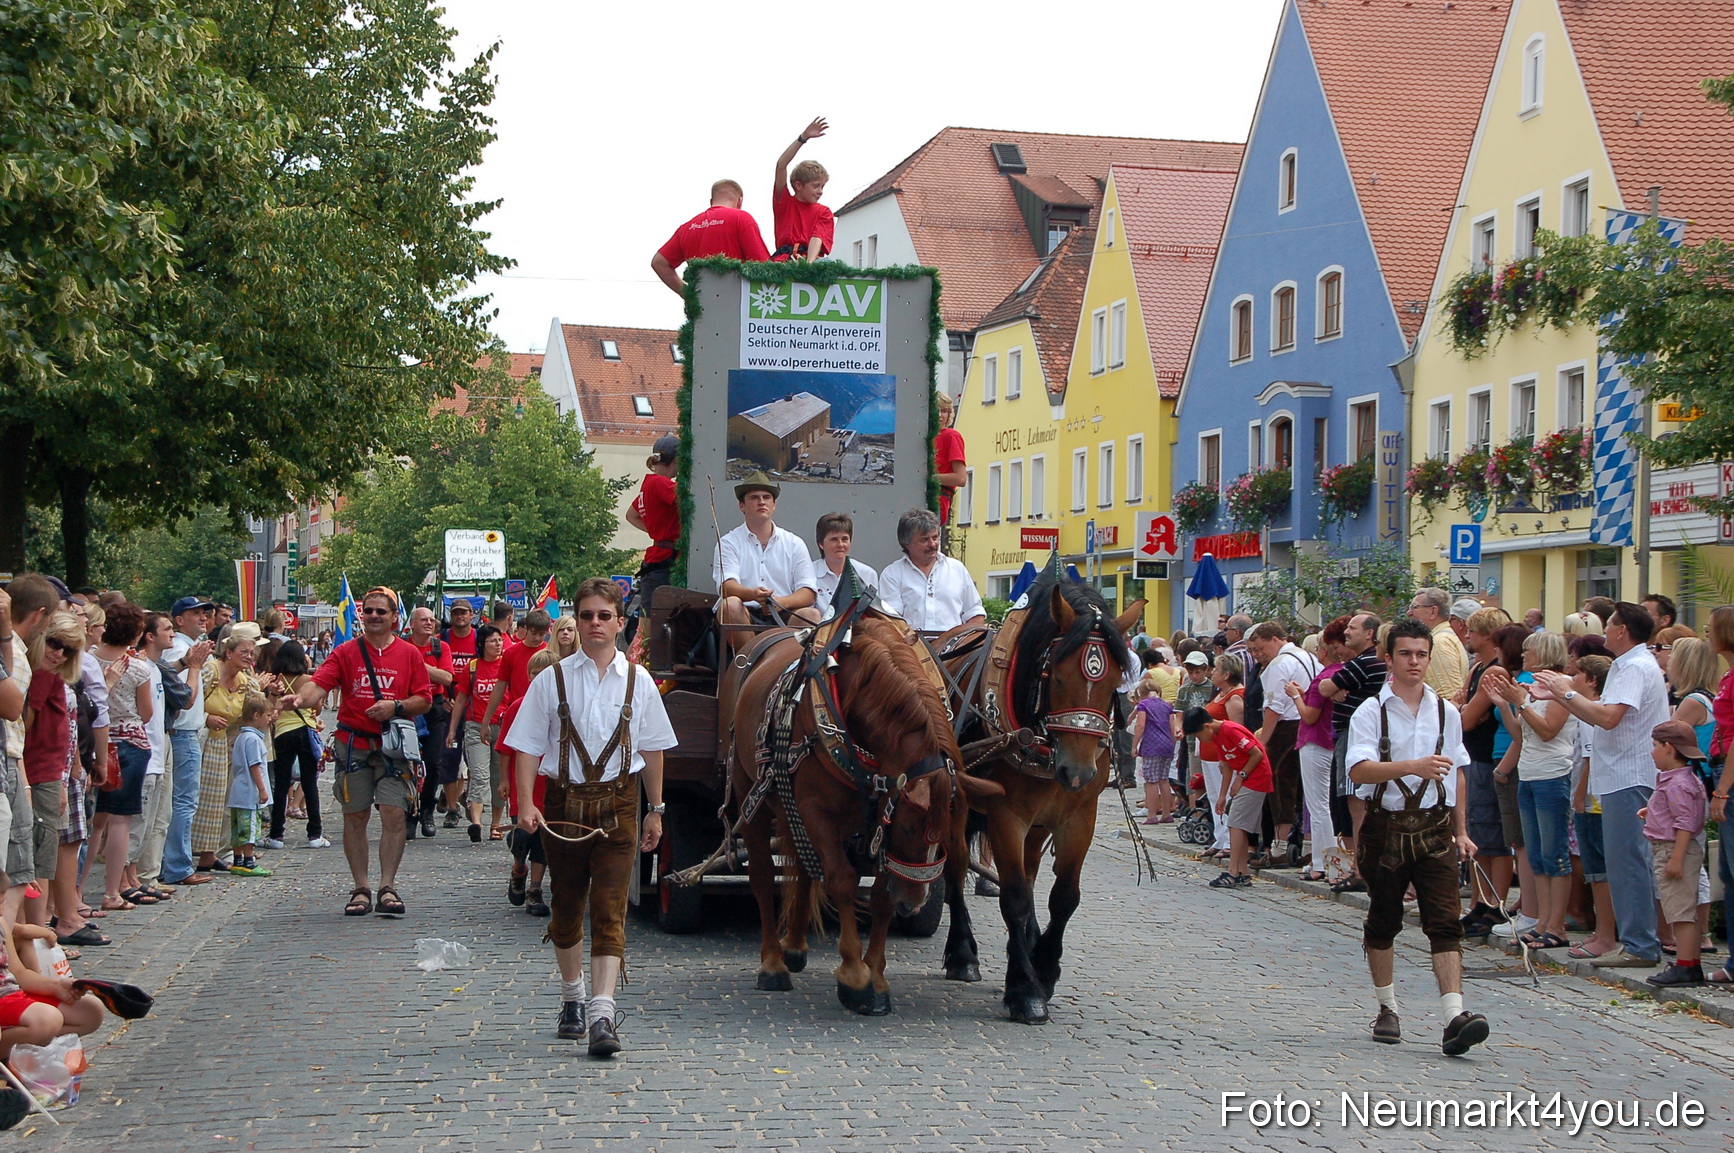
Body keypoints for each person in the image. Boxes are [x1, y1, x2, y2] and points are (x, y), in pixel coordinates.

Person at [508, 578, 676, 1057]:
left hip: (620, 803)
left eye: (605, 615)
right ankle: (572, 999)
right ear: (576, 622)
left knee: (609, 907)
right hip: (564, 804)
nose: (596, 623)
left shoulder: (638, 680)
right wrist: (525, 802)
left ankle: (603, 1014)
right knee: (565, 906)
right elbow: (525, 746)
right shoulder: (552, 678)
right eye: (587, 616)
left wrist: (656, 810)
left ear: (621, 622)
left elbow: (653, 748)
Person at [1345, 617, 1486, 1056]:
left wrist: (1463, 830)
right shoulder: (1372, 711)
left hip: (1436, 828)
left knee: (1445, 922)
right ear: (1389, 658)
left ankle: (1453, 1016)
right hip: (1386, 828)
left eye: (1421, 654)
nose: (1414, 662)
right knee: (1384, 921)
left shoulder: (1447, 711)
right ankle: (1387, 1008)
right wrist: (1412, 766)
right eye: (1405, 653)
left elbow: (1457, 774)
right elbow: (1358, 771)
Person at [1533, 602, 1670, 969]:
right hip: (1619, 774)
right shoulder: (1631, 666)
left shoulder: (1634, 667)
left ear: (1622, 630)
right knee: (1622, 860)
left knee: (1627, 862)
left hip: (1630, 775)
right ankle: (1636, 940)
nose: (1605, 632)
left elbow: (1608, 718)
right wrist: (1562, 696)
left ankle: (1640, 943)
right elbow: (1599, 715)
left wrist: (1566, 693)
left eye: (1610, 625)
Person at [291, 587, 432, 919]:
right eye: (368, 611)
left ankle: (387, 886)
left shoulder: (410, 654)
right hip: (353, 744)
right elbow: (318, 685)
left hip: (394, 748)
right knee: (355, 816)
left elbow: (424, 698)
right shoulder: (345, 652)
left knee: (395, 814)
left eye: (381, 612)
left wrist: (395, 706)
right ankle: (361, 887)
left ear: (395, 618)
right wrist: (299, 699)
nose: (374, 616)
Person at [1486, 632, 1579, 950]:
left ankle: (1557, 924)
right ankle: (1541, 921)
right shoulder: (1533, 688)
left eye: (1529, 650)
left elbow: (1549, 731)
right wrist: (1508, 707)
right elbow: (1522, 734)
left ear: (1544, 653)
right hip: (1528, 774)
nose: (1523, 654)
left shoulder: (1561, 687)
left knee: (1554, 854)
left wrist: (1521, 703)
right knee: (1537, 854)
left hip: (1553, 775)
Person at [1456, 608, 1516, 932]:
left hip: (1488, 755)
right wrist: (1465, 706)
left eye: (1473, 632)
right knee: (1478, 832)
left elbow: (1466, 716)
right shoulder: (1478, 667)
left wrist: (1465, 708)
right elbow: (1461, 703)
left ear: (1488, 636)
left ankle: (1496, 903)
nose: (1467, 636)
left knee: (1493, 835)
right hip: (1473, 754)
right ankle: (1479, 901)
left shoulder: (1495, 671)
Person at [1316, 612, 1385, 891]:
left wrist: (1334, 689)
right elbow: (1327, 688)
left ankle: (1361, 869)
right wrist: (1334, 690)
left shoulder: (1366, 661)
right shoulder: (1357, 662)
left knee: (1356, 801)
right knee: (1349, 802)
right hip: (1350, 735)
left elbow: (1326, 686)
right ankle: (1359, 865)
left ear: (1369, 634)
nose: (1347, 633)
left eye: (1352, 629)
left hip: (1355, 737)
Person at [90, 603, 152, 911]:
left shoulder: (88, 661)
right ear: (137, 632)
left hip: (97, 743)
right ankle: (112, 891)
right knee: (121, 821)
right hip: (130, 742)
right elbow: (147, 713)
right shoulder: (138, 668)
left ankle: (76, 888)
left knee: (94, 821)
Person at [713, 474, 819, 651]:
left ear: (774, 505)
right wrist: (754, 594)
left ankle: (793, 672)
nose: (761, 502)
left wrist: (781, 602)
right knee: (730, 606)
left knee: (811, 614)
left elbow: (808, 592)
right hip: (745, 614)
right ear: (742, 506)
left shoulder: (794, 543)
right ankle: (748, 668)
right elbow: (726, 587)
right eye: (754, 497)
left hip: (784, 615)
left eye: (767, 497)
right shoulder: (728, 543)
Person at [1246, 621, 1319, 868]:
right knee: (1305, 788)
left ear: (1275, 639)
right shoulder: (1309, 657)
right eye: (1253, 651)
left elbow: (1274, 707)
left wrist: (1262, 740)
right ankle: (1309, 844)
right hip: (1308, 725)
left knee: (1279, 786)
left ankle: (1279, 847)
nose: (1257, 654)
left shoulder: (1279, 664)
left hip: (1286, 729)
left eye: (1259, 647)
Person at [1642, 721, 1710, 986]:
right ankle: (1691, 963)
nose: (1652, 752)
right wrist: (1653, 814)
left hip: (1672, 850)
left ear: (1669, 748)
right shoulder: (1679, 779)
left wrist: (1676, 859)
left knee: (1679, 911)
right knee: (1683, 909)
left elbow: (1685, 823)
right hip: (1671, 846)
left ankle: (1684, 965)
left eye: (1655, 746)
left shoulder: (1678, 784)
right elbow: (1679, 815)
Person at [190, 633, 262, 874]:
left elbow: (254, 712)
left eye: (252, 653)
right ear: (229, 652)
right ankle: (192, 851)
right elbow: (185, 700)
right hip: (200, 740)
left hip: (224, 744)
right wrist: (205, 717)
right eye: (244, 652)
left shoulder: (245, 681)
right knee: (198, 799)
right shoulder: (210, 672)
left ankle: (209, 854)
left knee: (220, 801)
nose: (249, 657)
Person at [160, 596, 216, 887]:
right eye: (195, 613)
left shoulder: (187, 647)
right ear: (180, 619)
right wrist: (189, 663)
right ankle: (178, 865)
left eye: (205, 613)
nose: (203, 617)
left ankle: (171, 862)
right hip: (182, 731)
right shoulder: (182, 649)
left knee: (178, 801)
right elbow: (169, 674)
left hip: (186, 730)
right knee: (184, 801)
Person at [1183, 708, 1269, 889]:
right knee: (1239, 824)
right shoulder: (1217, 737)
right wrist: (1222, 796)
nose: (1201, 740)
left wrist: (1241, 777)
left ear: (1207, 726)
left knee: (1235, 824)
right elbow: (1227, 767)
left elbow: (1257, 754)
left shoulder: (1230, 730)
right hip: (1246, 780)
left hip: (1256, 778)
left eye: (1199, 736)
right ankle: (1243, 872)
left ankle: (1233, 871)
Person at [1568, 655, 1617, 960]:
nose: (1571, 677)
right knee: (1597, 869)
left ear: (1591, 681)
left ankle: (1605, 933)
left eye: (1578, 674)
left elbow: (1589, 758)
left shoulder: (1592, 713)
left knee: (1599, 871)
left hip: (1593, 801)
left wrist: (1580, 796)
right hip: (1596, 798)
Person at [1290, 617, 1346, 882]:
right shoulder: (1342, 674)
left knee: (1318, 806)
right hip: (1332, 742)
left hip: (1315, 742)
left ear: (1324, 650)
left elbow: (1309, 716)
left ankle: (1322, 863)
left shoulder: (1323, 677)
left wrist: (1295, 697)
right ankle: (1328, 861)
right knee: (1327, 805)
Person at [651, 181, 771, 294]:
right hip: (736, 305)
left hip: (702, 310)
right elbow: (764, 268)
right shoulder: (741, 219)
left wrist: (688, 294)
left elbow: (658, 262)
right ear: (739, 201)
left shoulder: (686, 228)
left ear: (711, 201)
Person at [878, 509, 986, 633]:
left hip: (955, 648)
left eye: (935, 538)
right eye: (924, 540)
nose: (933, 544)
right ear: (906, 544)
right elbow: (891, 621)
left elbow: (975, 613)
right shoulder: (892, 574)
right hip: (911, 647)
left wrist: (965, 642)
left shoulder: (957, 569)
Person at [264, 642, 325, 850]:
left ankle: (276, 834)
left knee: (281, 783)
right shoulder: (308, 680)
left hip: (282, 732)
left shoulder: (275, 680)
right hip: (305, 730)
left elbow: (270, 708)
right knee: (309, 783)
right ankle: (315, 834)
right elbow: (316, 708)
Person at [448, 625, 504, 841]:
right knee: (479, 774)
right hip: (476, 726)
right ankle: (477, 822)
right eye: (492, 641)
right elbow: (461, 699)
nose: (498, 644)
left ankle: (496, 824)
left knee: (500, 777)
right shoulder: (472, 668)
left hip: (503, 726)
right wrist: (452, 729)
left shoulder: (505, 665)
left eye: (499, 640)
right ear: (481, 644)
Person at [624, 435, 682, 643]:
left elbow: (631, 515)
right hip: (665, 559)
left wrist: (655, 533)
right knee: (647, 632)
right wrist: (661, 535)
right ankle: (634, 670)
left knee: (646, 629)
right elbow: (689, 499)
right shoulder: (661, 484)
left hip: (658, 555)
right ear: (676, 461)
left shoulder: (648, 483)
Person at [405, 607, 455, 839]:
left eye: (431, 620)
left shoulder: (440, 647)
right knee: (406, 763)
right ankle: (409, 813)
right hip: (407, 706)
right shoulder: (401, 646)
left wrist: (419, 665)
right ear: (412, 624)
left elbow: (447, 677)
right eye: (423, 620)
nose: (428, 623)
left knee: (433, 762)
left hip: (434, 707)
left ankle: (427, 810)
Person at [1197, 658, 1247, 861]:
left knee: (1224, 797)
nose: (1212, 673)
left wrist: (1226, 757)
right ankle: (1220, 837)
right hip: (1208, 753)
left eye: (1216, 670)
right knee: (1214, 796)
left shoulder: (1235, 698)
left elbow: (1236, 731)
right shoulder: (1220, 694)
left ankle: (1229, 840)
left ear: (1227, 674)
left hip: (1222, 755)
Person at [439, 601, 484, 818]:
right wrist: (442, 698)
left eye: (463, 613)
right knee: (449, 757)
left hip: (474, 709)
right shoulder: (443, 640)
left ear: (471, 615)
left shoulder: (479, 640)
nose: (459, 617)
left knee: (474, 759)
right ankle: (452, 808)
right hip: (449, 706)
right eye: (455, 613)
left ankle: (468, 795)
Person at [770, 117, 833, 262]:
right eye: (816, 186)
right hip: (783, 259)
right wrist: (803, 138)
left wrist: (808, 267)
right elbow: (781, 165)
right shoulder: (784, 203)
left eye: (822, 186)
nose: (820, 191)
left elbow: (818, 237)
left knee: (827, 263)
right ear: (799, 186)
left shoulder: (824, 212)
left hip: (811, 261)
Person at [226, 693, 274, 877]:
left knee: (237, 827)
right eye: (267, 716)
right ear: (256, 716)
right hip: (250, 792)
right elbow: (255, 765)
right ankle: (248, 860)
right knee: (250, 827)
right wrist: (262, 789)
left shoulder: (241, 737)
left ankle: (237, 859)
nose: (269, 720)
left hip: (238, 789)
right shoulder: (254, 739)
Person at [812, 513, 878, 619]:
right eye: (834, 539)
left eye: (845, 539)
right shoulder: (810, 573)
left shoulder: (868, 574)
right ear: (821, 544)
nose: (840, 545)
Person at [1407, 587, 1468, 702]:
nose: (1409, 613)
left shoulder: (1439, 643)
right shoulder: (1442, 638)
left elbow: (1450, 696)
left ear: (1433, 611)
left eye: (1414, 607)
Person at [1132, 682, 1178, 825]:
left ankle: (1151, 815)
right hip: (1167, 745)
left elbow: (1140, 725)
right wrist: (1172, 744)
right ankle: (1166, 813)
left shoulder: (1144, 705)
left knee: (1151, 781)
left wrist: (1134, 745)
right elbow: (1172, 727)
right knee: (1164, 780)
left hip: (1151, 745)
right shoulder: (1167, 705)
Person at [934, 394, 967, 534]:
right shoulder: (922, 435)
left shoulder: (951, 436)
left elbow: (960, 478)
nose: (940, 415)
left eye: (944, 411)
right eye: (936, 410)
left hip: (938, 499)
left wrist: (930, 477)